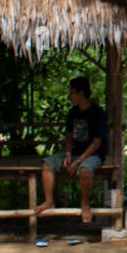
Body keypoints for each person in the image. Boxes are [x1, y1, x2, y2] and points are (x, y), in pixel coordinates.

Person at [34, 76, 108, 224]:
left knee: (85, 170)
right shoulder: (73, 112)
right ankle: (49, 201)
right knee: (47, 164)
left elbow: (96, 143)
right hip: (74, 153)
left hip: (93, 154)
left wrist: (79, 161)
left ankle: (85, 204)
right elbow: (68, 137)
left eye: (72, 92)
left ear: (81, 93)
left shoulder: (98, 113)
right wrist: (68, 154)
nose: (70, 96)